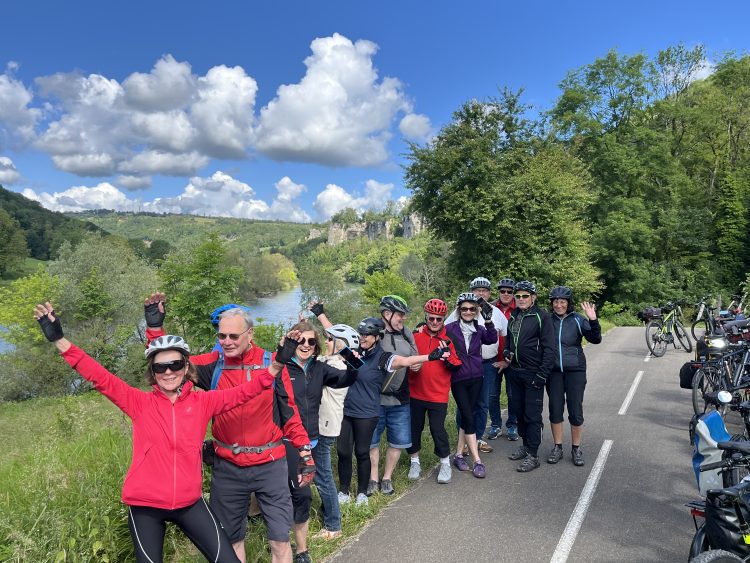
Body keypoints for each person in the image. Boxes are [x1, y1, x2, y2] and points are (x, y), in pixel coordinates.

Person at [33, 302, 280, 563]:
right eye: (160, 367)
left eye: (175, 364)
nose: (168, 372)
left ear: (186, 367)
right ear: (153, 372)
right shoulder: (138, 403)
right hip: (146, 506)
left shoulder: (202, 402)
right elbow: (99, 377)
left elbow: (245, 392)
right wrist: (60, 341)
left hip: (190, 502)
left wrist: (275, 367)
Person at [143, 293, 312, 563]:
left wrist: (305, 455)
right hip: (228, 467)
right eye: (222, 336)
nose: (227, 342)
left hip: (270, 463)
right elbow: (167, 366)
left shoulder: (272, 363)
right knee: (231, 540)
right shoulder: (212, 365)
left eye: (234, 336)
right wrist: (154, 329)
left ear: (250, 334)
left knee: (280, 539)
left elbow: (290, 413)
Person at [337, 317, 451, 506]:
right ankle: (344, 491)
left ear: (376, 337)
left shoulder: (382, 358)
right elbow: (337, 337)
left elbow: (405, 360)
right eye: (360, 334)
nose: (362, 337)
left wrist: (430, 356)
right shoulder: (356, 355)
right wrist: (320, 314)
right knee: (343, 452)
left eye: (366, 335)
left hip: (367, 412)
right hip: (347, 410)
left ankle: (362, 493)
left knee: (362, 451)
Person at [276, 322, 359, 563]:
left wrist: (354, 364)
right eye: (300, 340)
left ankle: (331, 526)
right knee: (286, 486)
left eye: (311, 341)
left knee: (313, 482)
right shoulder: (281, 367)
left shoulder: (319, 368)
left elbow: (344, 379)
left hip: (311, 436)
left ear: (316, 346)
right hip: (284, 436)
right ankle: (283, 530)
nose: (305, 345)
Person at [446, 277, 508, 454]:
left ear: (489, 293)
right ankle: (463, 442)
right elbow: (443, 330)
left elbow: (501, 335)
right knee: (464, 405)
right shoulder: (460, 310)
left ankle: (478, 438)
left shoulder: (495, 312)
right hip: (463, 367)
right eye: (477, 290)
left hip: (487, 364)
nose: (481, 293)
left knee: (482, 403)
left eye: (485, 290)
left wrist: (505, 358)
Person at [313, 322, 362, 539]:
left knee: (322, 475)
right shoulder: (327, 360)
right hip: (324, 424)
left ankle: (333, 524)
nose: (326, 341)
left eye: (330, 339)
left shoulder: (339, 367)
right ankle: (327, 513)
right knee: (320, 474)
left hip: (325, 426)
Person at [501, 281, 555, 473]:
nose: (521, 299)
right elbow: (509, 340)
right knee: (518, 410)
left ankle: (533, 454)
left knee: (532, 415)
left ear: (533, 297)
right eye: (518, 296)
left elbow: (550, 348)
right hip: (515, 371)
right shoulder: (513, 316)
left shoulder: (542, 317)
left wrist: (542, 374)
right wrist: (507, 351)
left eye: (525, 296)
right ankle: (525, 446)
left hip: (534, 373)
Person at [545, 286, 602, 467]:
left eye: (562, 302)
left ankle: (576, 448)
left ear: (568, 304)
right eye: (555, 301)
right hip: (553, 372)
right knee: (555, 409)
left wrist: (593, 320)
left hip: (575, 370)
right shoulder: (547, 320)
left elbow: (595, 339)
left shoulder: (577, 319)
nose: (559, 305)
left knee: (575, 411)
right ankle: (558, 447)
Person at [407, 299, 462, 484]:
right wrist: (411, 367)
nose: (435, 322)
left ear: (443, 319)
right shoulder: (416, 336)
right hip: (415, 392)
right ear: (426, 317)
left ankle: (445, 462)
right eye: (432, 318)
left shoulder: (448, 339)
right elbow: (406, 359)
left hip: (438, 395)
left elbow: (456, 364)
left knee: (437, 429)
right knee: (414, 429)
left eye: (439, 319)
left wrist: (446, 358)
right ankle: (414, 461)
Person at [368, 295, 418, 496]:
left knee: (398, 440)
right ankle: (372, 478)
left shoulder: (406, 333)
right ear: (387, 314)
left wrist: (416, 364)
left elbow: (415, 356)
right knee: (372, 440)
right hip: (374, 398)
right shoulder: (374, 332)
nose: (403, 319)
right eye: (400, 315)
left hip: (400, 398)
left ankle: (387, 477)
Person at [445, 293, 498, 478]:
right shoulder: (449, 329)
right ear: (459, 310)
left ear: (476, 311)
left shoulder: (480, 328)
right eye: (464, 308)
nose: (468, 312)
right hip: (458, 378)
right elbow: (435, 337)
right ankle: (477, 460)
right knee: (468, 415)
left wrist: (489, 320)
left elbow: (492, 339)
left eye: (472, 309)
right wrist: (420, 330)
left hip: (477, 377)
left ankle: (459, 455)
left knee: (469, 415)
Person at [489, 277, 519, 441]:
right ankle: (495, 425)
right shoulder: (491, 308)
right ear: (498, 292)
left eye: (509, 291)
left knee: (513, 394)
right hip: (493, 359)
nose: (506, 294)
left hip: (512, 360)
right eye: (502, 291)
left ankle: (512, 425)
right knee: (492, 395)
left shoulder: (519, 308)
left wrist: (508, 360)